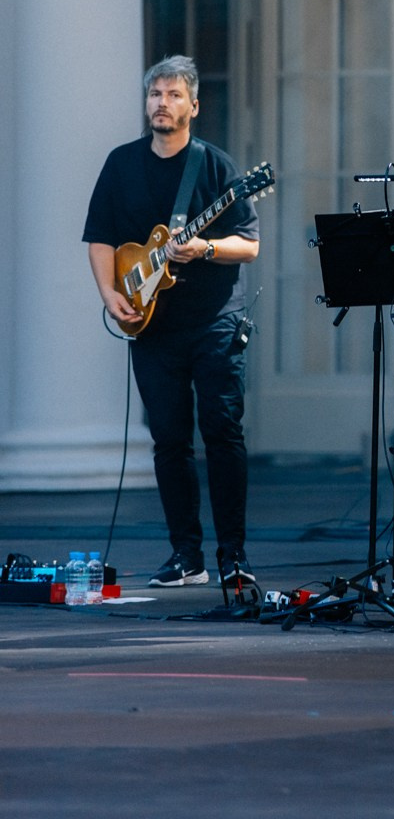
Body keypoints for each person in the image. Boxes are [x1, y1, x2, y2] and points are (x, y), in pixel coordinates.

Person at [83, 56, 260, 589]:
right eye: (155, 94)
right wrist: (112, 293)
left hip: (215, 323)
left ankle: (233, 555)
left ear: (194, 106)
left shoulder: (217, 168)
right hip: (151, 326)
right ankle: (187, 555)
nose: (162, 102)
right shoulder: (121, 164)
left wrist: (204, 248)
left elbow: (249, 245)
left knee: (223, 433)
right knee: (168, 440)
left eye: (173, 94)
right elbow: (99, 236)